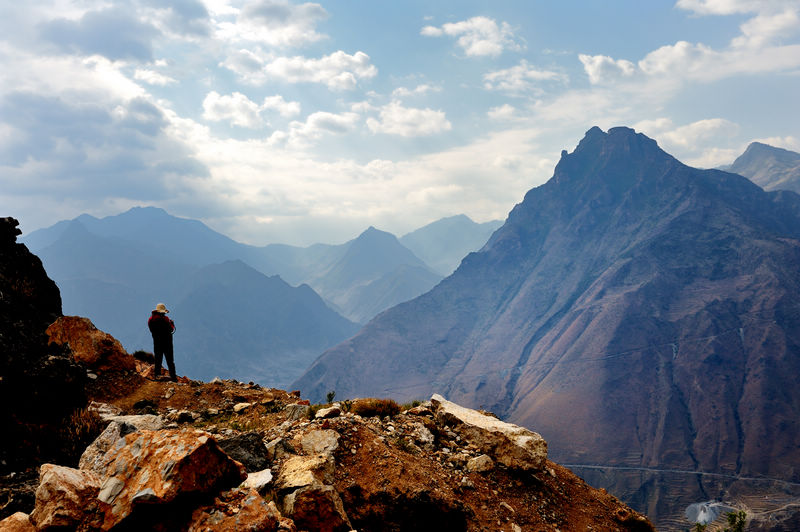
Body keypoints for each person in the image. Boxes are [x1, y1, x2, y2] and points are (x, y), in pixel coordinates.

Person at [147, 302, 177, 381]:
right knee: (170, 360)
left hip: (157, 342)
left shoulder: (151, 320)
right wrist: (172, 324)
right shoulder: (165, 319)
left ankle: (157, 375)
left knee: (158, 359)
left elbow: (151, 330)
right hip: (167, 343)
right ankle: (173, 377)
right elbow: (171, 329)